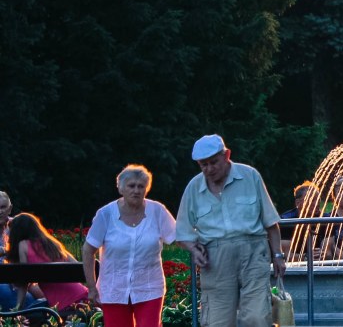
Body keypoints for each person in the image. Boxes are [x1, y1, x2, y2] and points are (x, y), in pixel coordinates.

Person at [175, 134, 286, 327]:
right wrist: (194, 249)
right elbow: (182, 232)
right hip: (215, 259)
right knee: (217, 322)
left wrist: (278, 255)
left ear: (226, 155)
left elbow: (270, 221)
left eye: (213, 162)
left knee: (257, 318)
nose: (209, 169)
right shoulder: (193, 187)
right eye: (203, 165)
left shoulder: (250, 176)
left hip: (253, 252)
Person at [82, 165, 177, 327]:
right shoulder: (106, 214)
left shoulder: (157, 211)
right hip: (114, 290)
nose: (136, 190)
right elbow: (88, 250)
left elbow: (178, 237)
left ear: (146, 189)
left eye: (141, 186)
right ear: (121, 188)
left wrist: (198, 246)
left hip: (149, 288)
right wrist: (91, 287)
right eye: (131, 186)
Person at [5, 213, 89, 312]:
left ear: (16, 232)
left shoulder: (23, 245)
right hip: (83, 297)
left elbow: (24, 279)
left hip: (63, 306)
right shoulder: (51, 243)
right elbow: (76, 266)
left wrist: (18, 308)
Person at [279, 181, 317, 260]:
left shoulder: (325, 220)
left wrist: (322, 254)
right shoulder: (286, 221)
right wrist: (306, 257)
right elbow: (286, 255)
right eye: (311, 200)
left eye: (318, 199)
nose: (316, 203)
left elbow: (328, 251)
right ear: (298, 203)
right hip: (293, 266)